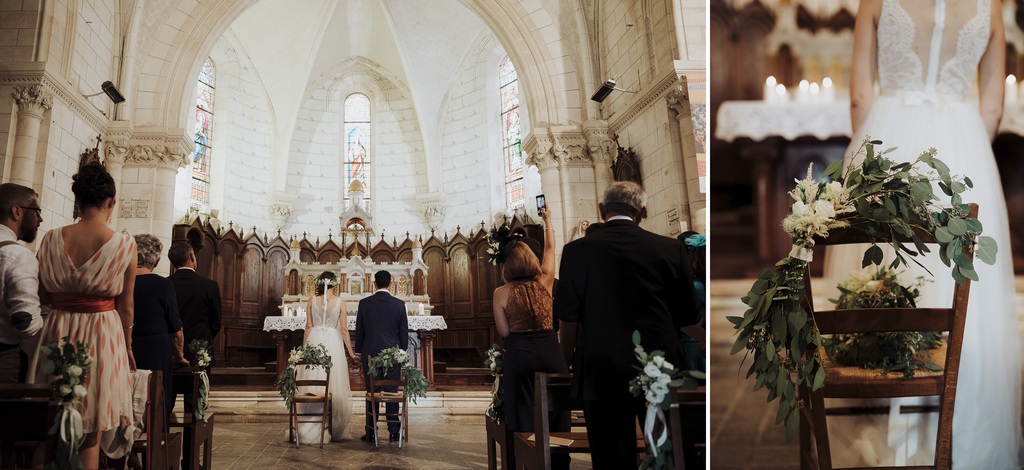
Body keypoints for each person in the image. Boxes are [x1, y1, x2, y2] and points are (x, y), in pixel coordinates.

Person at [823, 1, 1022, 467]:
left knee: (890, 277)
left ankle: (883, 424)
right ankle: (955, 428)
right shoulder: (989, 7)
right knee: (965, 287)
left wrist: (864, 168)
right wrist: (970, 146)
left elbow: (858, 97)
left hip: (889, 138)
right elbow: (993, 104)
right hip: (964, 142)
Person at [553, 181, 699, 469]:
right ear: (642, 212)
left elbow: (568, 314)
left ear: (601, 210)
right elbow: (689, 314)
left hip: (601, 368)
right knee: (665, 450)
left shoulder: (576, 251)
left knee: (610, 457)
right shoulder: (670, 249)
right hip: (659, 366)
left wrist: (567, 359)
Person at [34, 163, 137, 469]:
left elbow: (42, 295)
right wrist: (128, 346)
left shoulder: (50, 238)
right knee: (89, 429)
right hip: (101, 336)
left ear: (77, 201)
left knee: (51, 421)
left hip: (57, 331)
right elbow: (126, 306)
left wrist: (67, 302)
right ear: (112, 201)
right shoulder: (124, 244)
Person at [492, 207, 570, 470]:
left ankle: (523, 461)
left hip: (520, 352)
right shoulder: (545, 281)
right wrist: (548, 220)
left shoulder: (501, 293)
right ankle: (559, 460)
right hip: (550, 349)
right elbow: (549, 249)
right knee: (558, 407)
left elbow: (504, 332)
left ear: (507, 266)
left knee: (521, 409)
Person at [131, 234, 187, 425]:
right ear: (156, 260)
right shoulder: (162, 284)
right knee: (154, 402)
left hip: (125, 346)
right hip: (155, 351)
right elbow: (176, 328)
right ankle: (154, 445)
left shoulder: (121, 281)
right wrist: (179, 356)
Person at [297, 271, 356, 443]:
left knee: (312, 383)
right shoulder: (340, 302)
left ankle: (311, 426)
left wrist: (303, 350)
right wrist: (351, 353)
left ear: (319, 282)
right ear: (334, 284)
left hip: (314, 340)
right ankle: (332, 427)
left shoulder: (311, 300)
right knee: (333, 385)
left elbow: (308, 326)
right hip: (332, 344)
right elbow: (344, 330)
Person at [354, 270, 408, 443]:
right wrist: (403, 350)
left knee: (372, 392)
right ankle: (393, 431)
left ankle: (371, 431)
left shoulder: (364, 303)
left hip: (370, 353)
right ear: (390, 283)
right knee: (391, 392)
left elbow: (360, 329)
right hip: (393, 355)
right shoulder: (399, 304)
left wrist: (359, 351)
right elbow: (403, 331)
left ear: (374, 284)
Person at [0, 183, 43, 383]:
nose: (40, 219)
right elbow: (24, 320)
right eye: (36, 211)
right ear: (17, 212)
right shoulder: (17, 255)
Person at [167, 241, 222, 368]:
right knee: (200, 387)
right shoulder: (209, 286)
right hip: (200, 350)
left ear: (172, 262)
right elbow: (216, 323)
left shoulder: (165, 284)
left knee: (171, 387)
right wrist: (202, 339)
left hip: (171, 350)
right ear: (192, 256)